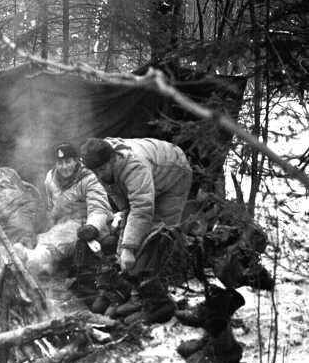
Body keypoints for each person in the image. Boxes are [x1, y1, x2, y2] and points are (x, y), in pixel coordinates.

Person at [80, 137, 192, 323]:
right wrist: (123, 249)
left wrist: (129, 248)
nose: (98, 176)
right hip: (151, 173)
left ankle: (154, 302)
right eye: (95, 172)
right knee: (130, 240)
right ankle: (126, 290)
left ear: (113, 160)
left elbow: (142, 210)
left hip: (174, 173)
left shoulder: (134, 167)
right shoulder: (103, 166)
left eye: (101, 170)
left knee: (158, 236)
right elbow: (128, 210)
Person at [14, 142, 114, 279]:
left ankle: (36, 258)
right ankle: (42, 265)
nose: (64, 167)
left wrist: (92, 227)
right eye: (60, 163)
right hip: (62, 223)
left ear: (76, 161)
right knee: (47, 234)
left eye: (68, 162)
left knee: (64, 235)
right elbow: (51, 207)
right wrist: (45, 224)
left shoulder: (89, 178)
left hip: (89, 224)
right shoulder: (51, 179)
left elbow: (99, 208)